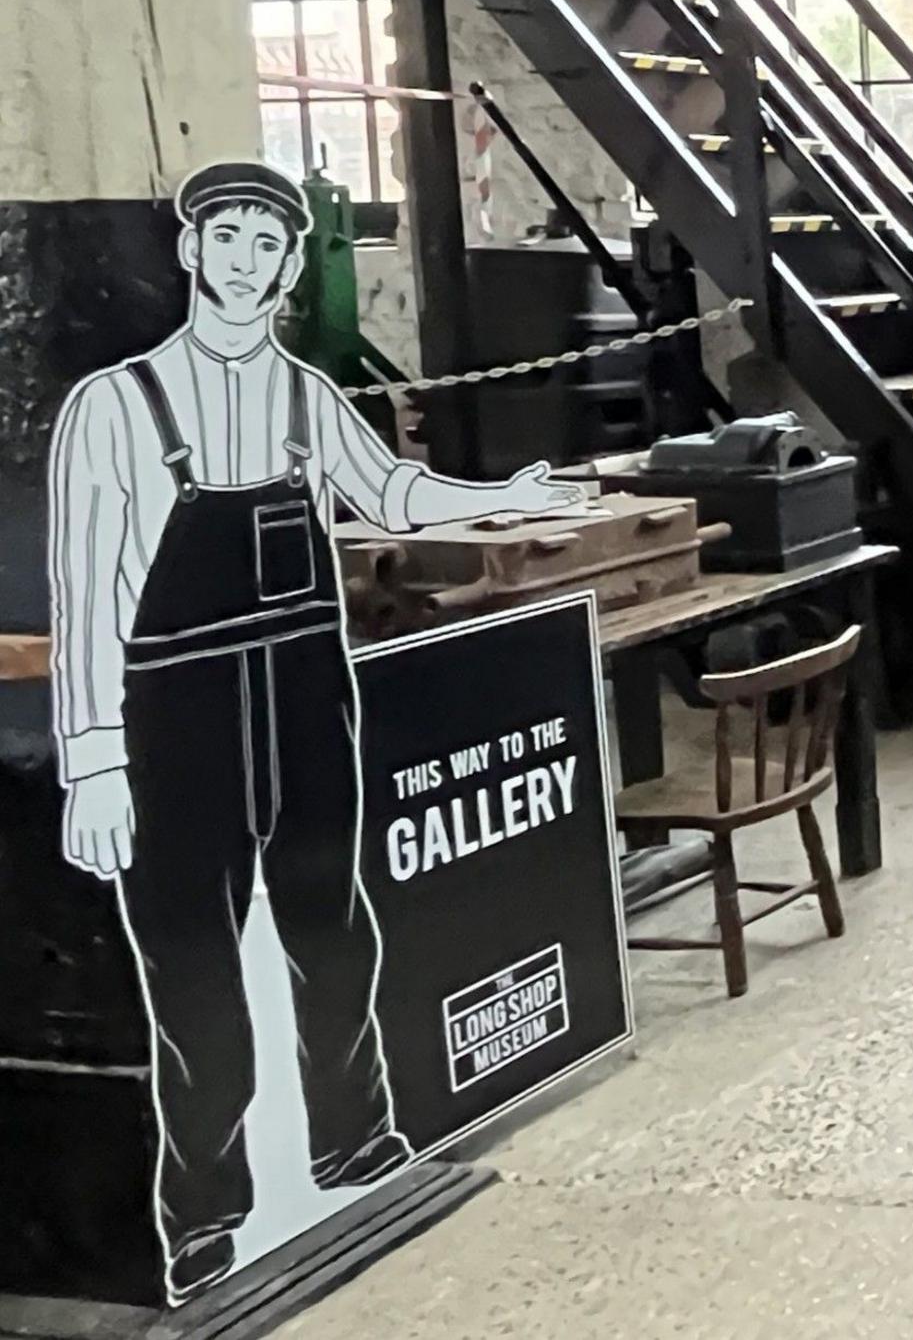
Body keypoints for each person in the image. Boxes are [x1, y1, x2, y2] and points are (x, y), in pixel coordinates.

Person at [46, 162, 580, 1299]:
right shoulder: (117, 407)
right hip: (173, 713)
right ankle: (204, 1209)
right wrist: (93, 757)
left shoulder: (304, 396)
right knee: (190, 966)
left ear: (292, 268)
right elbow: (86, 594)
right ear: (193, 250)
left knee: (333, 928)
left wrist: (514, 496)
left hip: (302, 693)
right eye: (227, 235)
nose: (247, 259)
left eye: (268, 243)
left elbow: (389, 493)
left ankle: (352, 1137)